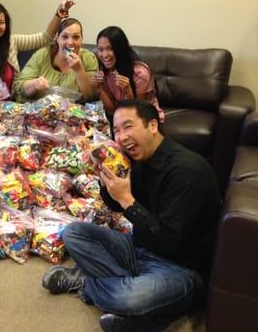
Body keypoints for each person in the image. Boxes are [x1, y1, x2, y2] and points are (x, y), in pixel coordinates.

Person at [42, 99, 221, 332]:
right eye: (116, 130)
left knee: (131, 298)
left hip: (181, 266)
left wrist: (126, 198)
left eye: (128, 127)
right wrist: (107, 184)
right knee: (74, 233)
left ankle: (88, 284)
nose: (121, 137)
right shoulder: (139, 160)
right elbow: (117, 208)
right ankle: (138, 306)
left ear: (153, 126)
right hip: (141, 247)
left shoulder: (187, 171)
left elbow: (168, 241)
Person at [13, 18, 98, 102]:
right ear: (57, 38)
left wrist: (79, 70)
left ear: (81, 40)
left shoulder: (88, 58)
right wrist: (35, 84)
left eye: (76, 37)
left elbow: (90, 97)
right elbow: (19, 87)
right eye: (65, 37)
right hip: (36, 110)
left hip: (71, 112)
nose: (70, 42)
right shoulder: (43, 54)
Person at [93, 26, 164, 123]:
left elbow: (137, 112)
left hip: (145, 118)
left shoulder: (140, 73)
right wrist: (99, 88)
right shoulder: (105, 69)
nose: (104, 55)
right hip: (120, 115)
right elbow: (111, 110)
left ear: (121, 49)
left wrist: (128, 92)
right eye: (100, 49)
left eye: (110, 48)